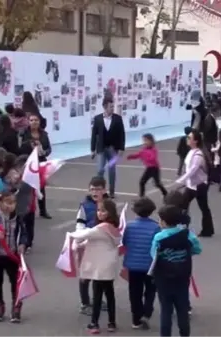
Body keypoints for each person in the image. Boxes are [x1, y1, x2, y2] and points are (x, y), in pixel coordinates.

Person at [69, 199, 121, 333]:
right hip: (109, 265)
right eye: (98, 210)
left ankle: (94, 323)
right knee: (110, 294)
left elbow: (82, 235)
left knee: (97, 295)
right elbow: (96, 240)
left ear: (110, 212)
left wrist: (70, 236)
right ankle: (111, 322)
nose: (99, 213)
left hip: (99, 267)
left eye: (103, 210)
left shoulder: (100, 228)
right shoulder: (113, 228)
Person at [151, 205, 202, 337]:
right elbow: (197, 250)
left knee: (166, 310)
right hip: (182, 277)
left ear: (163, 221)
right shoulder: (188, 235)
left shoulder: (159, 237)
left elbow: (153, 256)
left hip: (163, 279)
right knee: (182, 310)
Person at [0, 189, 27, 323]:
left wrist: (22, 244)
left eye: (13, 203)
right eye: (7, 203)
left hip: (12, 255)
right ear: (0, 203)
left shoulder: (18, 216)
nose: (11, 206)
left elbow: (24, 233)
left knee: (16, 282)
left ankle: (16, 308)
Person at [122, 197, 159, 330]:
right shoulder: (156, 227)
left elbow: (125, 243)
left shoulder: (129, 226)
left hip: (133, 264)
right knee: (150, 291)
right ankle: (147, 313)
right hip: (150, 265)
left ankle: (136, 319)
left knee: (134, 292)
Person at [75, 176, 109, 315]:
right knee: (85, 275)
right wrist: (80, 238)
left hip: (102, 244)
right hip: (87, 243)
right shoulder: (84, 205)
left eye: (98, 189)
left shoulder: (108, 204)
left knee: (98, 274)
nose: (95, 192)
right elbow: (80, 223)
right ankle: (84, 303)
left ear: (104, 190)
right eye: (92, 189)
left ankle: (97, 299)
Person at [179, 131, 214, 237]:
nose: (187, 139)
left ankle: (207, 230)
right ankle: (184, 227)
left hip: (199, 186)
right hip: (192, 185)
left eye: (190, 138)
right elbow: (188, 169)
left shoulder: (198, 154)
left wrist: (181, 180)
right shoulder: (191, 151)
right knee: (183, 205)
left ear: (196, 141)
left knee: (203, 207)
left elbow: (193, 170)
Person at [90, 97, 126, 199]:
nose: (112, 108)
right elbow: (94, 135)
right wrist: (92, 149)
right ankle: (100, 191)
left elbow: (122, 134)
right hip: (101, 148)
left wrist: (121, 148)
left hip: (113, 148)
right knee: (100, 170)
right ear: (105, 107)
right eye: (111, 106)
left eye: (113, 106)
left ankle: (111, 192)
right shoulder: (97, 119)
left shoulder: (117, 119)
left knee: (112, 170)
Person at [20, 113, 52, 218]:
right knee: (27, 188)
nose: (34, 122)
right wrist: (29, 146)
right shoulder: (23, 134)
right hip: (28, 163)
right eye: (32, 120)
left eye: (36, 120)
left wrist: (43, 151)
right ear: (28, 122)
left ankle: (43, 210)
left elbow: (49, 149)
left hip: (41, 162)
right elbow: (19, 148)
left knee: (41, 187)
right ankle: (27, 210)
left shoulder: (44, 134)